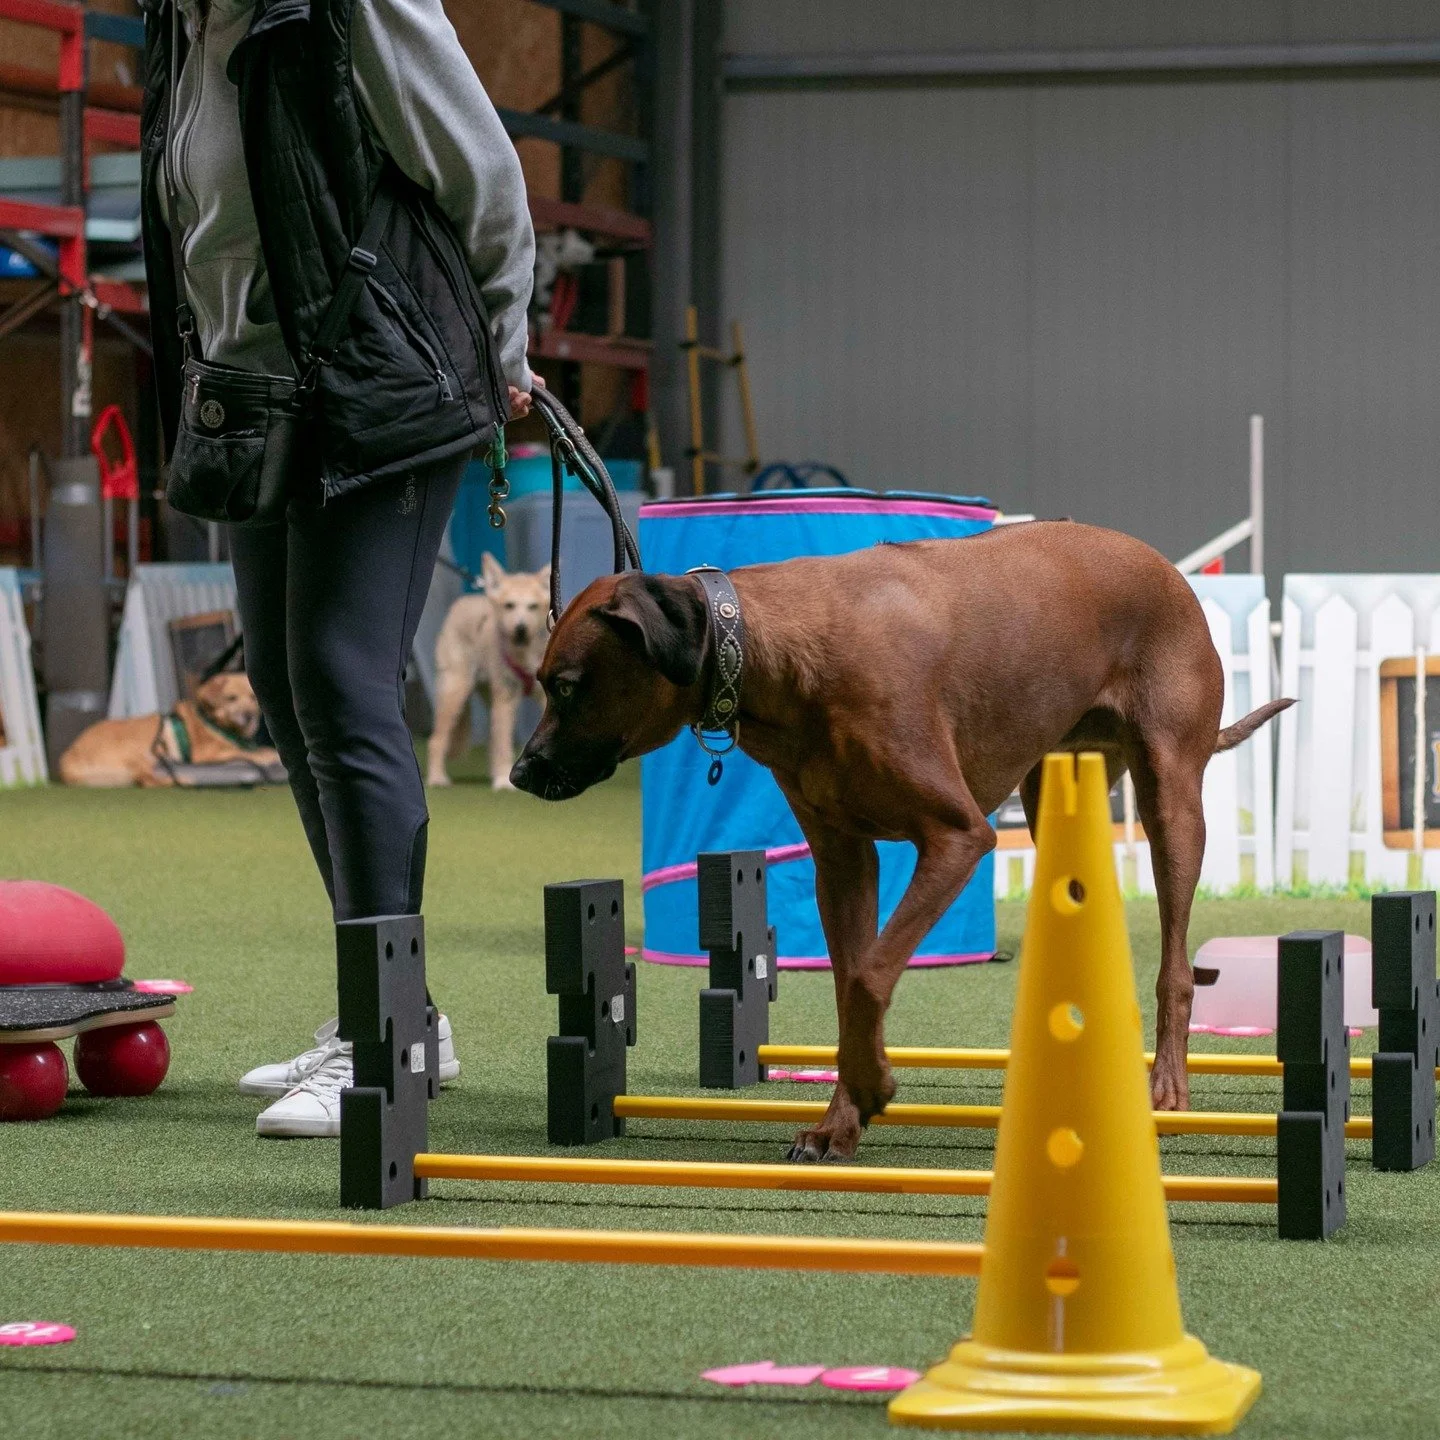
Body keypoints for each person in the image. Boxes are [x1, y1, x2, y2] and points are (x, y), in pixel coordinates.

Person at [140, 0, 537, 1135]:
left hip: (389, 381)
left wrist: (504, 353)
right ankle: (393, 1007)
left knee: (342, 676)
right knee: (284, 681)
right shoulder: (177, 24)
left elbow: (486, 178)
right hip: (260, 398)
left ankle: (387, 1037)